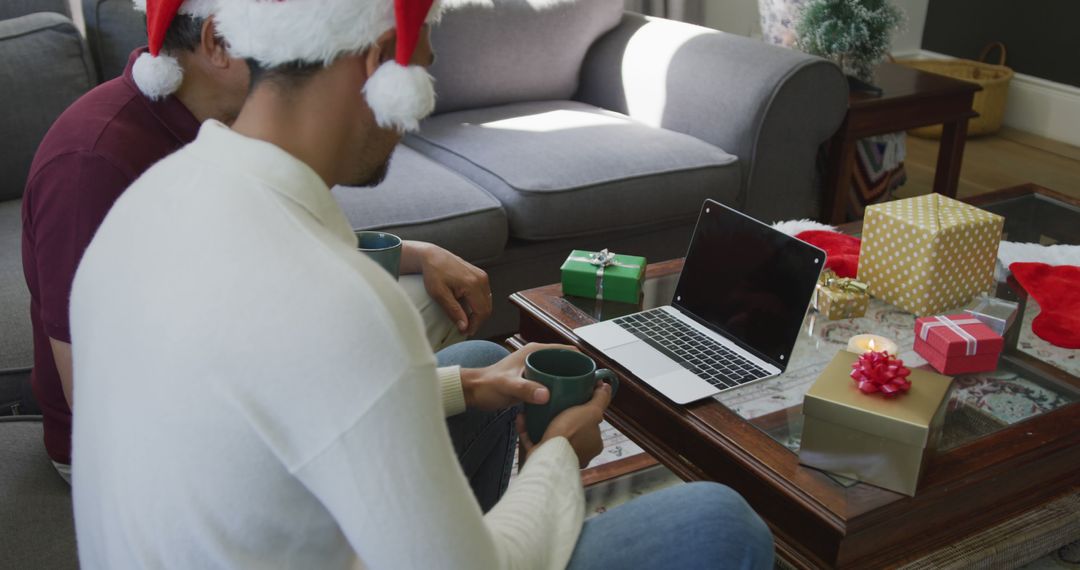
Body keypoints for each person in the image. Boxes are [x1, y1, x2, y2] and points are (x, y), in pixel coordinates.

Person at [69, 0, 776, 567]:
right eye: (426, 63)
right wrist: (560, 456)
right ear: (377, 59)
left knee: (472, 369)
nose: (424, 101)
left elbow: (267, 403)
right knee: (716, 523)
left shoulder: (148, 199)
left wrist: (465, 390)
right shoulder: (337, 305)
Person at [21, 0, 492, 486]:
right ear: (218, 42)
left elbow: (282, 246)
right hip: (131, 448)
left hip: (224, 366)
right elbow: (99, 401)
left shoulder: (234, 123)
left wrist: (420, 254)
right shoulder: (94, 163)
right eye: (276, 27)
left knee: (430, 301)